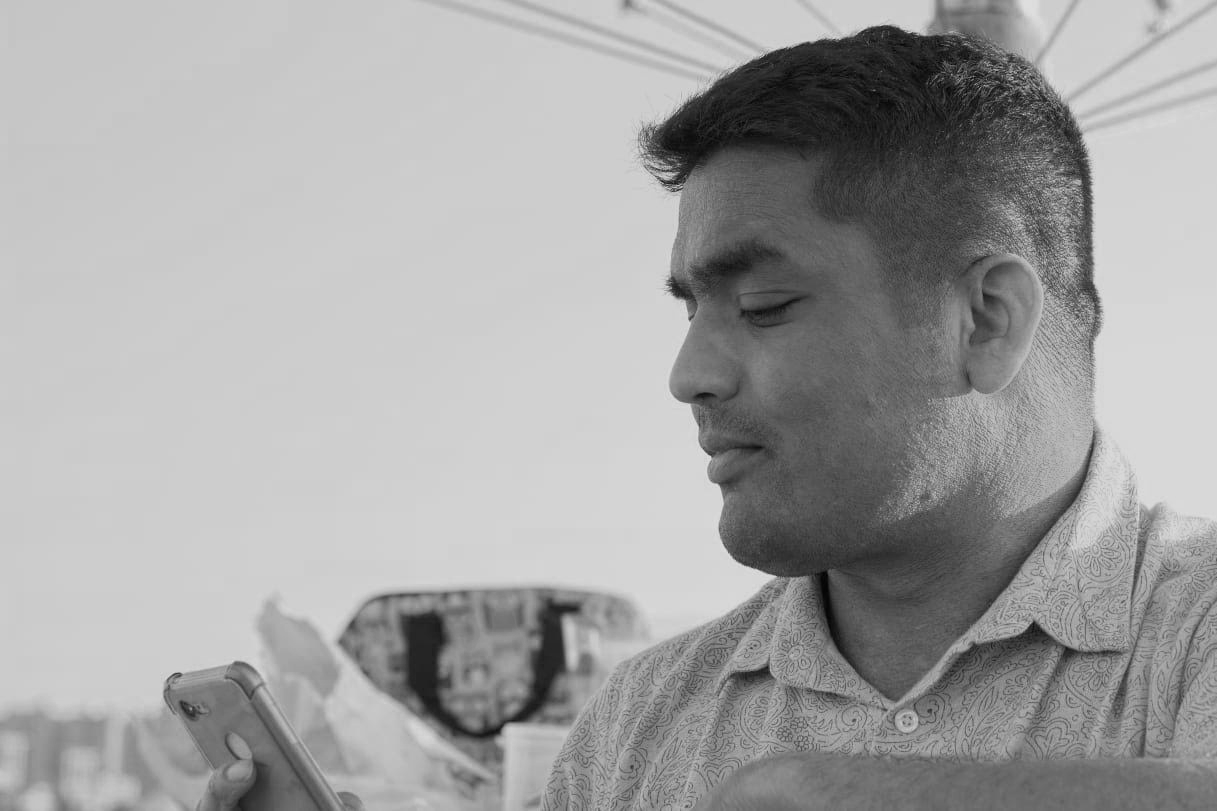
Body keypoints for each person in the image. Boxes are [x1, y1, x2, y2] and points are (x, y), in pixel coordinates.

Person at [195, 25, 1217, 811]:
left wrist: (839, 796)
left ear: (984, 319)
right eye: (690, 310)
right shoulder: (639, 724)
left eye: (763, 306)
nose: (688, 375)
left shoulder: (1193, 631)